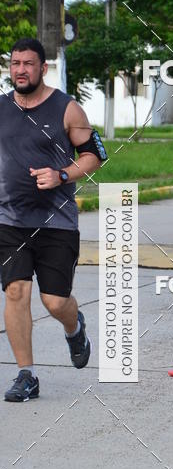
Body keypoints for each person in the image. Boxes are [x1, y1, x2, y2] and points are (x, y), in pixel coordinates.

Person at [0, 38, 107, 401]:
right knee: (16, 291)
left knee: (55, 301)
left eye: (28, 64)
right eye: (15, 64)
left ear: (43, 68)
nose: (20, 70)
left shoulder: (67, 109)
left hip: (56, 222)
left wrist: (62, 175)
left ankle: (75, 328)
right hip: (9, 220)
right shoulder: (1, 108)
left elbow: (94, 155)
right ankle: (26, 375)